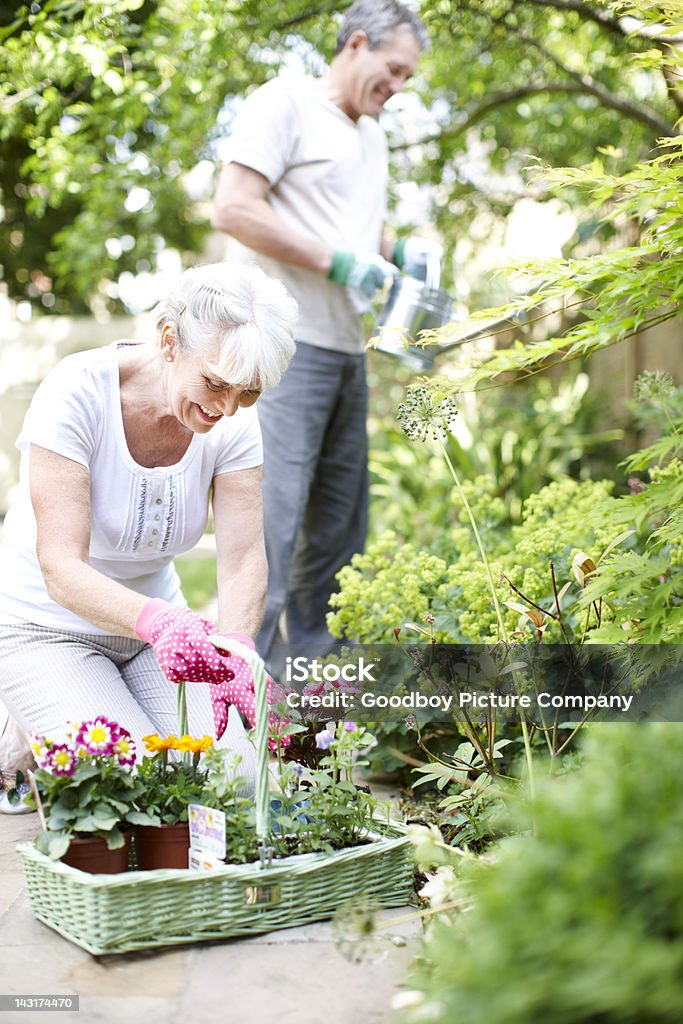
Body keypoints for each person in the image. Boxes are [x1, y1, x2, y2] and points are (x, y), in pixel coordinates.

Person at [0, 262, 297, 793]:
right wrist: (158, 622)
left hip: (153, 639)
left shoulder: (233, 422)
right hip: (43, 628)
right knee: (141, 787)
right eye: (215, 383)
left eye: (248, 392)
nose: (225, 408)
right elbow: (60, 569)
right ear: (168, 340)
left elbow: (243, 558)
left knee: (242, 783)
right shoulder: (77, 393)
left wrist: (235, 653)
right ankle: (17, 725)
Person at [211, 0, 439, 670]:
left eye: (407, 78)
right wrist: (335, 262)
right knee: (270, 527)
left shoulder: (369, 136)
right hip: (283, 347)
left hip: (346, 349)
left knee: (339, 532)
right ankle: (238, 699)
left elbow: (353, 232)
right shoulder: (282, 103)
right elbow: (232, 206)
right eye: (393, 69)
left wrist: (401, 254)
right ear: (357, 44)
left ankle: (314, 707)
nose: (398, 86)